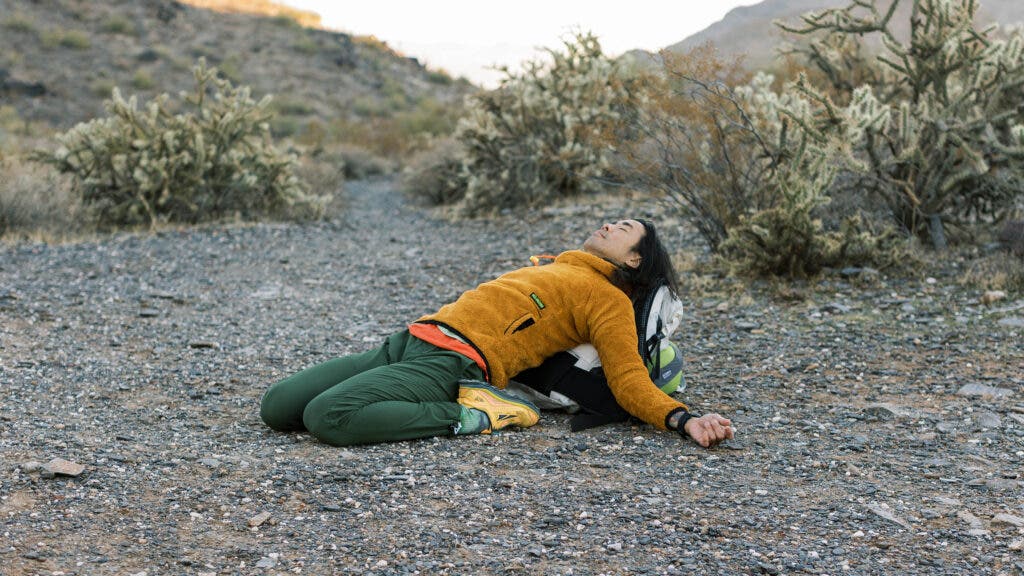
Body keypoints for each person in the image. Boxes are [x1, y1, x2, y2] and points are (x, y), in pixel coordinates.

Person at [260, 219, 734, 448]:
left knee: (328, 417)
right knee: (278, 406)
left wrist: (682, 419)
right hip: (411, 340)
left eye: (624, 228)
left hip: (454, 363)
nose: (609, 224)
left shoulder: (605, 299)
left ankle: (480, 413)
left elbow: (628, 377)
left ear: (634, 259)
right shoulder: (555, 266)